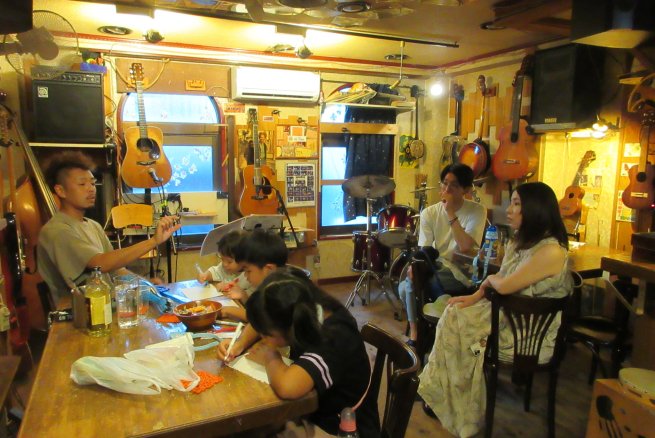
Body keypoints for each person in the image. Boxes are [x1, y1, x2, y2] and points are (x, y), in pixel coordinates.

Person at [417, 181, 572, 437]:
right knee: (453, 313)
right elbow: (499, 281)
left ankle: (459, 407)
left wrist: (488, 283)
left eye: (516, 204)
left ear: (535, 209)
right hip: (511, 317)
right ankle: (445, 397)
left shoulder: (552, 251)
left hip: (528, 336)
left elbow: (504, 284)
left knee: (458, 324)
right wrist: (474, 296)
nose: (508, 210)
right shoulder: (521, 244)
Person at [244, 271, 380, 437]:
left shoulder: (333, 337)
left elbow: (288, 387)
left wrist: (270, 355)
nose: (263, 340)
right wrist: (239, 345)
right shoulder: (310, 312)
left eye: (266, 335)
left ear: (289, 327)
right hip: (317, 411)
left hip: (342, 427)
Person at [37, 151, 181, 301]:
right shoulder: (57, 230)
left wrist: (145, 284)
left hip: (107, 305)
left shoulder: (93, 225)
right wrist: (153, 241)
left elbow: (116, 269)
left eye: (93, 183)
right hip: (79, 311)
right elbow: (100, 264)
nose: (91, 189)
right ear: (60, 190)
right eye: (82, 184)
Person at [398, 163, 487, 346]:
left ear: (466, 190)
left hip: (462, 271)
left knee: (412, 287)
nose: (446, 189)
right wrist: (415, 267)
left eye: (454, 185)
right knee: (409, 283)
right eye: (444, 183)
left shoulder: (477, 211)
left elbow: (465, 246)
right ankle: (418, 333)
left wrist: (450, 213)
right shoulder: (429, 213)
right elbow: (425, 250)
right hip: (436, 266)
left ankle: (424, 333)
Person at [217, 229, 288, 324]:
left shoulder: (282, 294)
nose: (245, 275)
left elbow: (263, 321)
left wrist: (230, 311)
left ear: (269, 269)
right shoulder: (270, 285)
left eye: (248, 271)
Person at [196, 230, 252, 301]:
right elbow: (215, 272)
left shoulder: (250, 275)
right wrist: (205, 275)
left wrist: (242, 294)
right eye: (222, 259)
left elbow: (252, 301)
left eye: (229, 261)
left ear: (243, 259)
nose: (224, 264)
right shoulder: (225, 268)